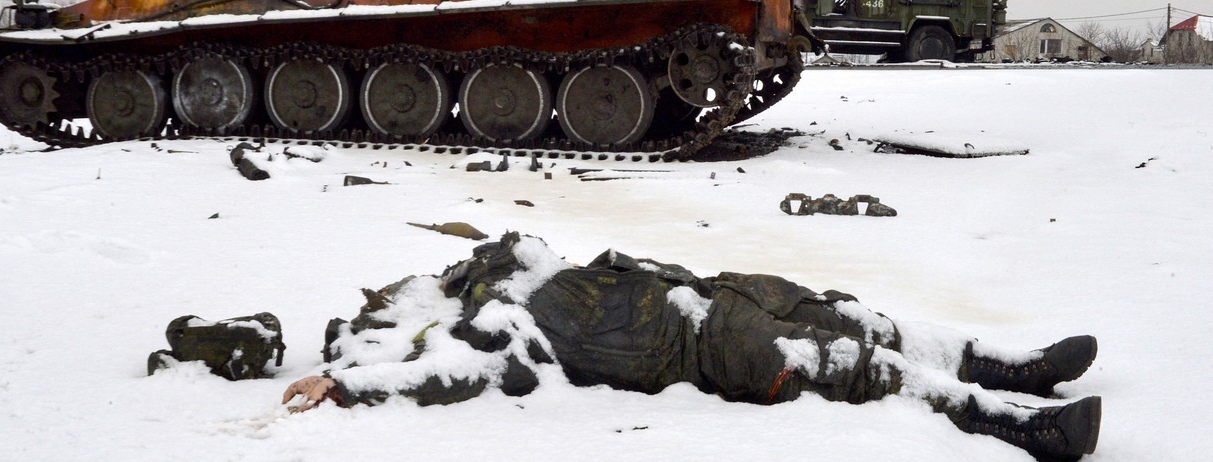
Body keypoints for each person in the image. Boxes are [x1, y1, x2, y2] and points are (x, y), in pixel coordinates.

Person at [284, 233, 1101, 460]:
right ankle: (1016, 423)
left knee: (861, 319)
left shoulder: (527, 265)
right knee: (849, 366)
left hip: (716, 288)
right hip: (703, 344)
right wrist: (350, 388)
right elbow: (450, 379)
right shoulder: (497, 332)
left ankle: (1016, 365)